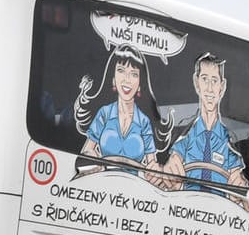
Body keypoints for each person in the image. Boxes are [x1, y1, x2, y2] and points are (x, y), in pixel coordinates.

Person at [73, 47, 174, 187]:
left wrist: (154, 172)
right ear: (113, 78)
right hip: (100, 186)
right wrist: (91, 156)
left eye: (134, 74)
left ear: (140, 83)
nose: (127, 80)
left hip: (134, 191)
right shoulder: (104, 113)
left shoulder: (144, 122)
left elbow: (152, 164)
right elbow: (86, 151)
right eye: (121, 71)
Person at [161, 52, 249, 195]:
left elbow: (237, 176)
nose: (209, 88)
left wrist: (239, 182)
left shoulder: (229, 141)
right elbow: (174, 159)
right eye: (204, 79)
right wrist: (171, 168)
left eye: (214, 80)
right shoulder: (185, 133)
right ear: (196, 83)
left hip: (218, 213)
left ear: (222, 86)